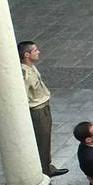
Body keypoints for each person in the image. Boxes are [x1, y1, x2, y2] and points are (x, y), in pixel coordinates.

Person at [19, 41, 66, 177]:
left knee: (46, 139)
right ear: (27, 55)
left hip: (44, 107)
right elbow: (23, 96)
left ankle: (47, 166)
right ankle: (44, 173)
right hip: (37, 111)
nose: (38, 52)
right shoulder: (24, 73)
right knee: (41, 141)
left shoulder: (31, 67)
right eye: (35, 50)